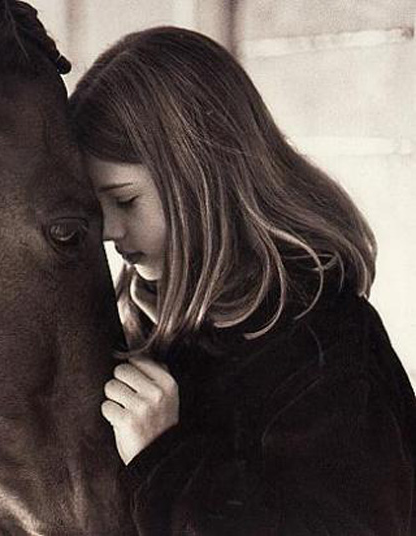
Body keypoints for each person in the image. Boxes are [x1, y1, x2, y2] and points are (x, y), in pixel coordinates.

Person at [69, 27, 416, 535]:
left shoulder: (324, 343)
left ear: (203, 178)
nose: (109, 230)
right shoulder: (152, 325)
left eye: (124, 200)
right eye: (96, 206)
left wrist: (165, 458)